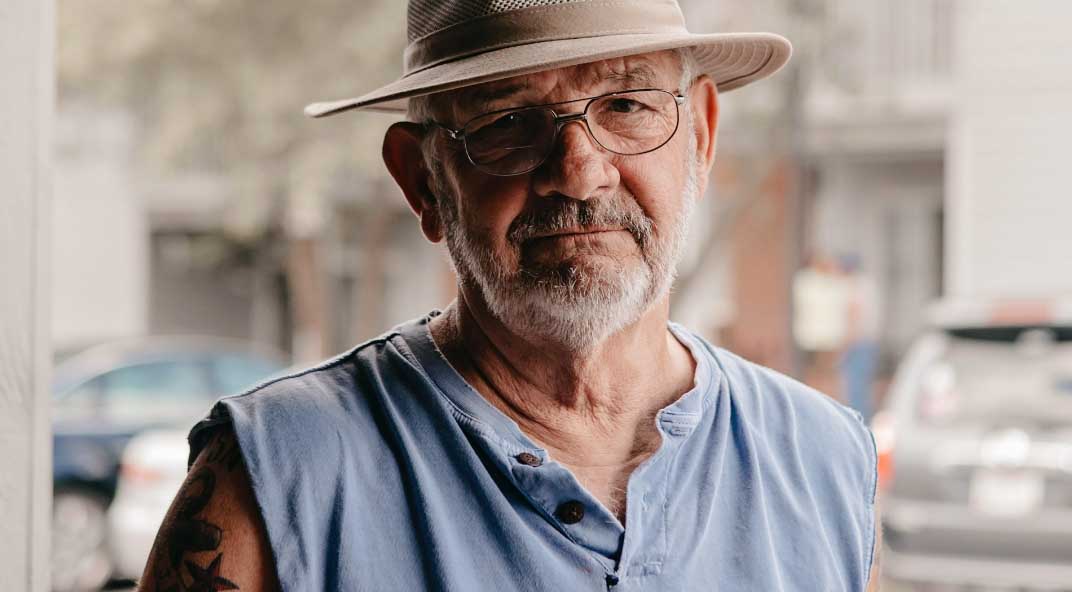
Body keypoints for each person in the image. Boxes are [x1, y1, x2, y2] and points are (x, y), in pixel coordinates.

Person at [139, 1, 879, 590]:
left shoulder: (821, 461)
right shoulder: (279, 474)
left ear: (703, 136)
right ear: (421, 180)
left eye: (626, 104)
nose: (580, 171)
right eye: (506, 123)